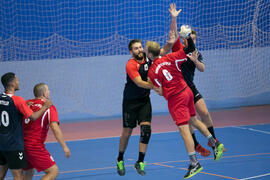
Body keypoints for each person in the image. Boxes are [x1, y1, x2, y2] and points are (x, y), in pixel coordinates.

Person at [146, 27, 224, 178]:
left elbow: (159, 90)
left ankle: (194, 163)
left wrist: (159, 88)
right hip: (187, 92)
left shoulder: (152, 72)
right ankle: (215, 143)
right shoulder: (171, 58)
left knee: (184, 130)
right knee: (194, 120)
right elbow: (190, 50)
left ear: (150, 54)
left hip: (176, 98)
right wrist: (186, 36)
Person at [116, 3, 181, 176]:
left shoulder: (148, 57)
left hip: (144, 100)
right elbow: (139, 82)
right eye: (135, 48)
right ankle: (120, 158)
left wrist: (170, 43)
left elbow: (163, 50)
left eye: (140, 47)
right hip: (130, 102)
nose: (139, 50)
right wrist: (157, 88)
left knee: (146, 130)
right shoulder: (130, 64)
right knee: (127, 132)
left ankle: (140, 162)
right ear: (131, 51)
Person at [171, 30, 226, 157]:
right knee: (189, 120)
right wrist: (174, 19)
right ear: (183, 39)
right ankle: (195, 144)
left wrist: (195, 61)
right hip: (178, 90)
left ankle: (214, 143)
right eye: (191, 38)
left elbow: (202, 68)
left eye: (195, 39)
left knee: (205, 113)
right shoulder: (178, 50)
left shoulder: (196, 53)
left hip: (191, 88)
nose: (193, 41)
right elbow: (173, 33)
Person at [0, 72, 52, 180]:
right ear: (13, 84)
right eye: (17, 80)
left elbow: (9, 113)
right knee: (18, 175)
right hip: (13, 145)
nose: (19, 82)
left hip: (1, 143)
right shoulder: (18, 100)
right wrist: (45, 107)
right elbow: (33, 117)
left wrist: (22, 108)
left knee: (1, 174)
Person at [22, 83, 71, 180]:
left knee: (28, 172)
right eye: (48, 90)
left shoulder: (26, 103)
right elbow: (55, 128)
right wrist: (65, 147)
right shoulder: (49, 107)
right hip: (34, 146)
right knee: (53, 171)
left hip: (21, 145)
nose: (49, 91)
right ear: (44, 93)